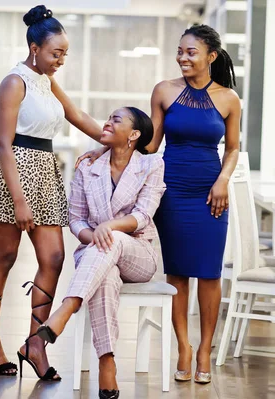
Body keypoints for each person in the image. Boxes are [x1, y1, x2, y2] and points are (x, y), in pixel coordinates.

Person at [76, 24, 241, 384]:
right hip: (173, 189)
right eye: (180, 51)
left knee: (210, 272)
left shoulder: (229, 98)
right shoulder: (164, 91)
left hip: (211, 190)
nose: (183, 57)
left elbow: (232, 148)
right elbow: (149, 145)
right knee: (178, 271)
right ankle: (183, 346)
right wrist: (105, 148)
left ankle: (204, 350)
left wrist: (223, 180)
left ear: (211, 57)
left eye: (191, 52)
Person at [0, 5, 101, 380]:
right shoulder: (14, 82)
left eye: (65, 53)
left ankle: (35, 343)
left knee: (53, 258)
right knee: (4, 257)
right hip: (13, 174)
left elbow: (77, 116)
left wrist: (120, 141)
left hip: (45, 174)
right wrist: (18, 200)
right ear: (35, 47)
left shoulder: (47, 81)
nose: (60, 60)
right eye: (55, 53)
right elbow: (3, 143)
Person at [36, 107, 166, 399]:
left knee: (115, 239)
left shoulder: (151, 165)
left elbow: (144, 215)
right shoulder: (88, 166)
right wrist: (92, 233)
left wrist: (108, 227)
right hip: (96, 253)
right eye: (108, 117)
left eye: (116, 120)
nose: (107, 122)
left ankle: (66, 309)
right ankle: (107, 362)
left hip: (138, 254)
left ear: (134, 135)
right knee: (105, 279)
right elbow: (76, 218)